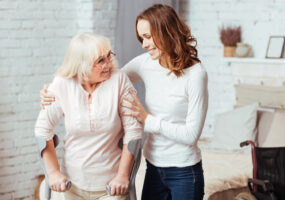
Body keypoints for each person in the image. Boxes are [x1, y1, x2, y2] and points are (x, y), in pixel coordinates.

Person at [41, 4, 208, 200]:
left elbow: (191, 135)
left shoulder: (196, 75)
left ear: (166, 32)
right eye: (141, 38)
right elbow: (105, 77)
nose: (144, 45)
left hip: (184, 171)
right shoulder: (146, 63)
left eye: (148, 37)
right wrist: (56, 89)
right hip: (154, 167)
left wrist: (146, 119)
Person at [35, 33, 142, 200]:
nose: (109, 64)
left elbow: (134, 131)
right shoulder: (63, 84)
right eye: (101, 61)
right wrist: (54, 172)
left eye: (109, 56)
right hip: (71, 184)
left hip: (111, 187)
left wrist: (122, 176)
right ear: (81, 66)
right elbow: (43, 130)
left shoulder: (119, 80)